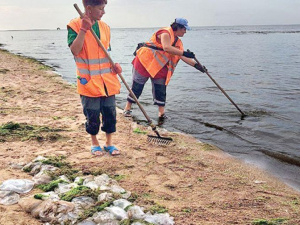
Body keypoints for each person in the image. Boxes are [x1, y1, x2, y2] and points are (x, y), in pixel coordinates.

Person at [123, 18, 206, 122]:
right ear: (178, 27)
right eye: (184, 29)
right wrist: (184, 52)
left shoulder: (178, 42)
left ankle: (161, 113)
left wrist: (197, 66)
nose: (185, 32)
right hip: (144, 61)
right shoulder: (165, 33)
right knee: (137, 86)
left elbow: (181, 55)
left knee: (160, 88)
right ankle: (127, 109)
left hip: (159, 65)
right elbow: (167, 47)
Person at [67, 0, 122, 156]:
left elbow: (105, 52)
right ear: (89, 9)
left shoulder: (105, 27)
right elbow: (75, 51)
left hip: (107, 80)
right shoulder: (74, 25)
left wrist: (114, 66)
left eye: (104, 8)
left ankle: (109, 143)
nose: (103, 12)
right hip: (89, 81)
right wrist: (83, 30)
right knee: (92, 114)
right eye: (101, 9)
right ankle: (94, 143)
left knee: (110, 112)